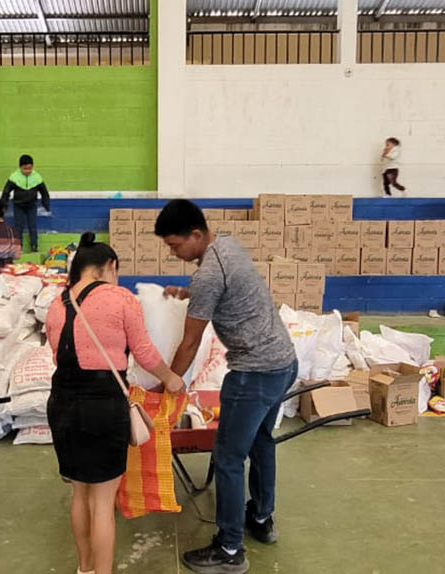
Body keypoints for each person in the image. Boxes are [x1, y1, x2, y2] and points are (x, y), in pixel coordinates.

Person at [155, 199, 297, 574]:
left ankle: (230, 549)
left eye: (175, 245)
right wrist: (188, 294)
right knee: (261, 441)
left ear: (196, 234)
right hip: (283, 362)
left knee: (229, 457)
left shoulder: (208, 275)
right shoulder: (227, 246)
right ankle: (261, 518)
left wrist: (167, 381)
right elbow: (226, 287)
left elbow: (189, 343)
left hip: (254, 373)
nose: (173, 253)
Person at [45, 232, 185, 574]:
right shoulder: (120, 298)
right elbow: (145, 352)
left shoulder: (56, 303)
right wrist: (171, 378)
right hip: (103, 405)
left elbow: (57, 355)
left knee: (80, 494)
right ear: (110, 266)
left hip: (62, 403)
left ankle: (84, 569)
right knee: (102, 502)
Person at [0, 154, 51, 253]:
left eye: (29, 168)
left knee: (33, 226)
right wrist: (3, 204)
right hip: (18, 205)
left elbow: (44, 192)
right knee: (18, 227)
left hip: (32, 205)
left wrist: (46, 204)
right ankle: (19, 247)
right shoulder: (14, 177)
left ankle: (34, 246)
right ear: (20, 167)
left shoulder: (37, 177)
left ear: (33, 167)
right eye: (25, 169)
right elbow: (6, 191)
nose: (27, 171)